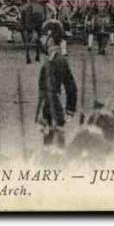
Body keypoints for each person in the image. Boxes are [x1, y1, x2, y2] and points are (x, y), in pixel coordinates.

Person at [36, 19, 77, 147]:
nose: (41, 40)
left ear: (50, 38)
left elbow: (50, 91)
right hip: (55, 112)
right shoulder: (59, 58)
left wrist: (44, 115)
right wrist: (70, 109)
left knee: (52, 148)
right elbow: (71, 87)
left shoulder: (53, 61)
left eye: (43, 36)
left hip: (52, 112)